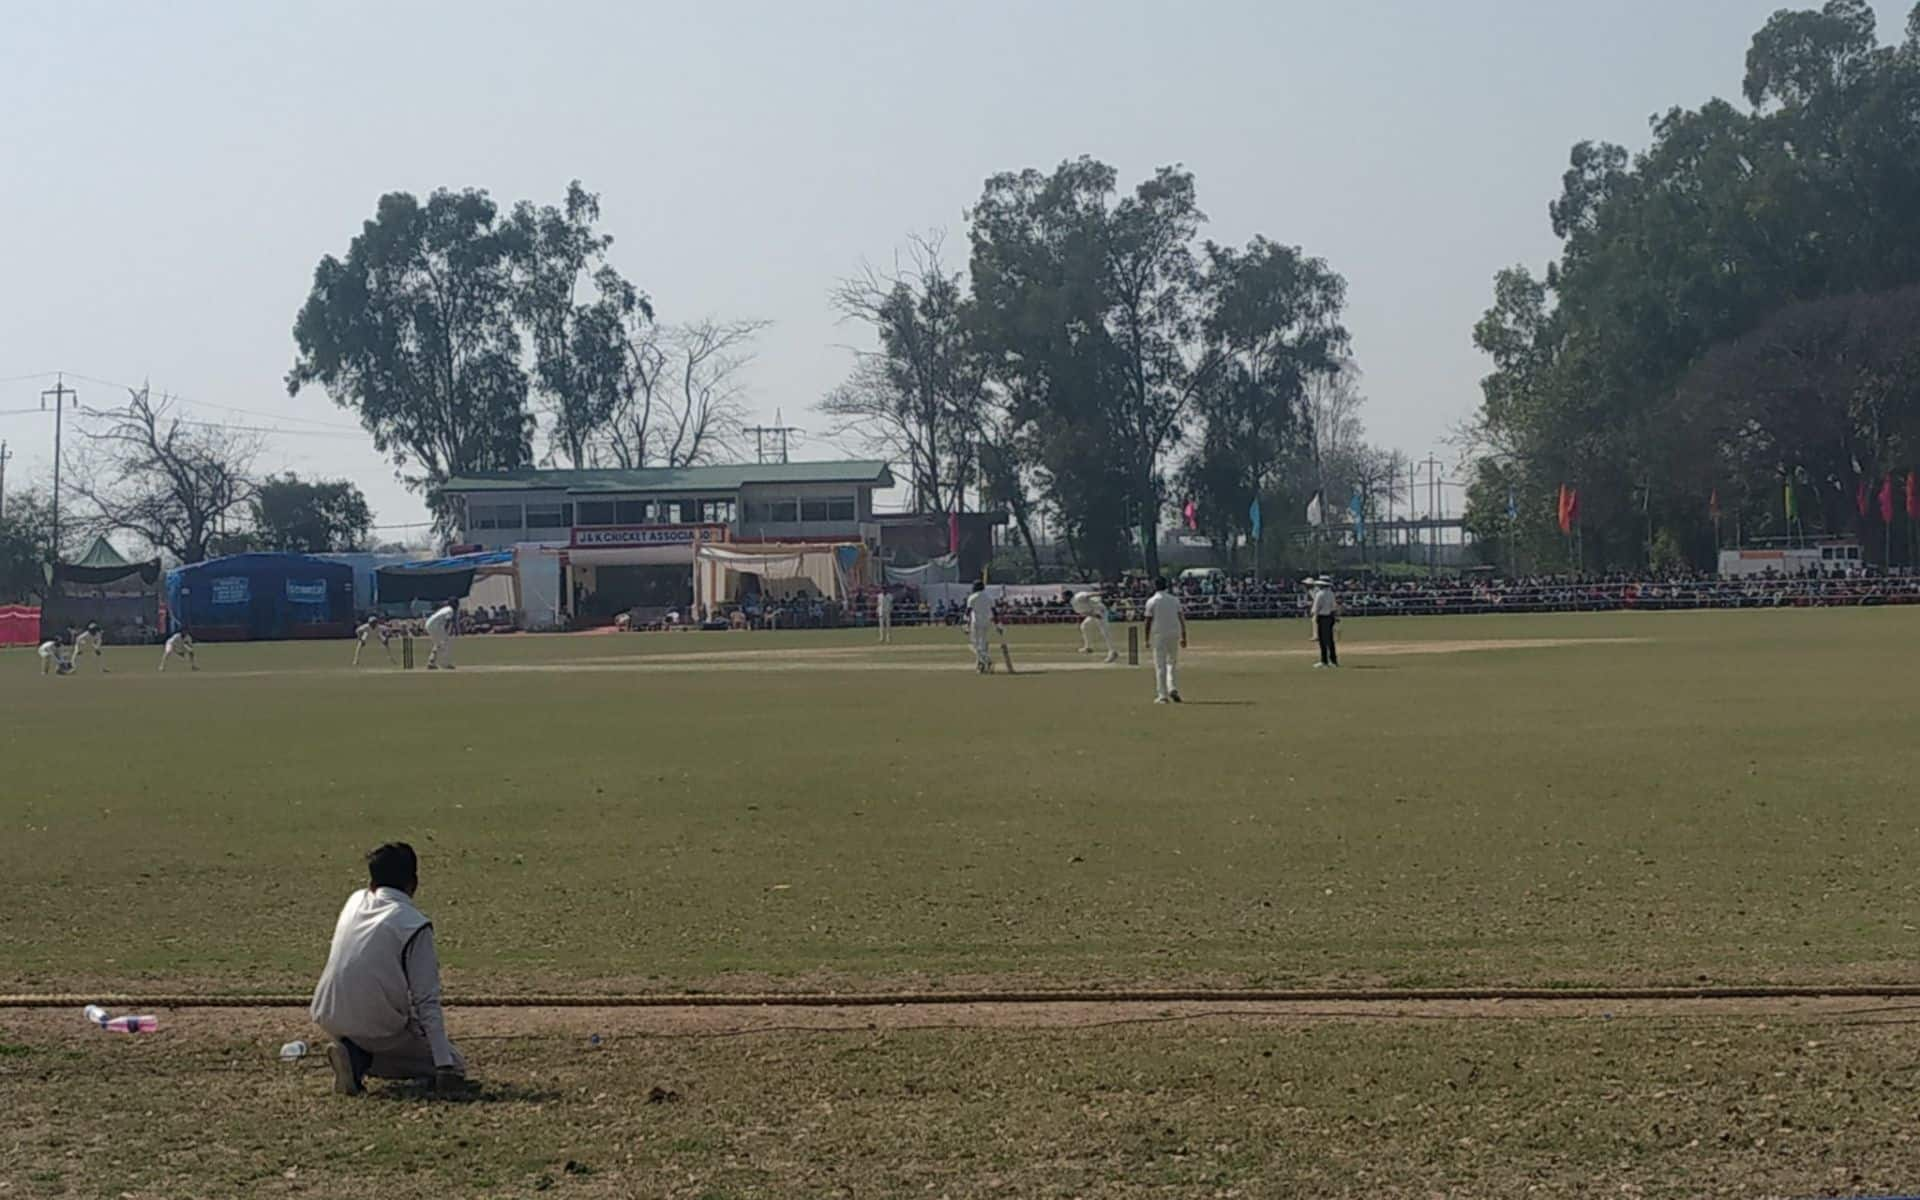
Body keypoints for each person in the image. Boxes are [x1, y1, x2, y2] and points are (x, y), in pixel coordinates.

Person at [309, 842, 466, 1096]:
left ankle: (354, 1053)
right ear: (413, 884)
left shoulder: (355, 900)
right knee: (456, 1062)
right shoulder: (414, 925)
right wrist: (444, 1065)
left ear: (372, 883)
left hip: (328, 1015)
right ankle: (359, 1059)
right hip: (378, 1030)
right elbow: (426, 1000)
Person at [1143, 575, 1188, 704]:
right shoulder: (1174, 600)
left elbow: (1148, 621)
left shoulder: (1152, 601)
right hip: (1174, 634)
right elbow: (1181, 618)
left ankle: (1162, 695)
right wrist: (1184, 636)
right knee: (1172, 663)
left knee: (1160, 665)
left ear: (1154, 586)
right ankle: (1172, 687)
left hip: (1159, 635)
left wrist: (1146, 639)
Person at [1067, 588, 1118, 663]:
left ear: (1068, 596)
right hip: (1094, 613)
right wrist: (1094, 615)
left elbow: (1089, 595)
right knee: (1084, 626)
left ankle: (1112, 652)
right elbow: (1084, 613)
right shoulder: (1073, 603)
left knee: (1104, 632)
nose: (1062, 598)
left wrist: (1102, 593)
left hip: (1100, 610)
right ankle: (1088, 647)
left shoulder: (1078, 596)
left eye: (1063, 596)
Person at [964, 580, 998, 673]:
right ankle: (980, 665)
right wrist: (998, 625)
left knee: (975, 645)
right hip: (987, 622)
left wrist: (966, 626)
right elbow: (995, 612)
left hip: (976, 623)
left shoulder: (972, 597)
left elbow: (967, 612)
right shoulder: (989, 597)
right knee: (983, 644)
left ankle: (987, 660)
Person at [1307, 577, 1341, 668]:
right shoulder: (1331, 594)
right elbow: (1334, 607)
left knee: (1323, 641)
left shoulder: (1320, 594)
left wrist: (1314, 616)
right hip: (1330, 617)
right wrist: (1336, 617)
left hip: (1322, 618)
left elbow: (1316, 608)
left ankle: (1324, 661)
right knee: (1329, 640)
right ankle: (1333, 661)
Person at [423, 602, 457, 670]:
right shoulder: (450, 610)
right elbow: (448, 620)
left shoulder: (445, 608)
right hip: (435, 626)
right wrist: (447, 632)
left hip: (429, 624)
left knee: (438, 644)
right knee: (445, 643)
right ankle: (445, 664)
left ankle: (431, 662)